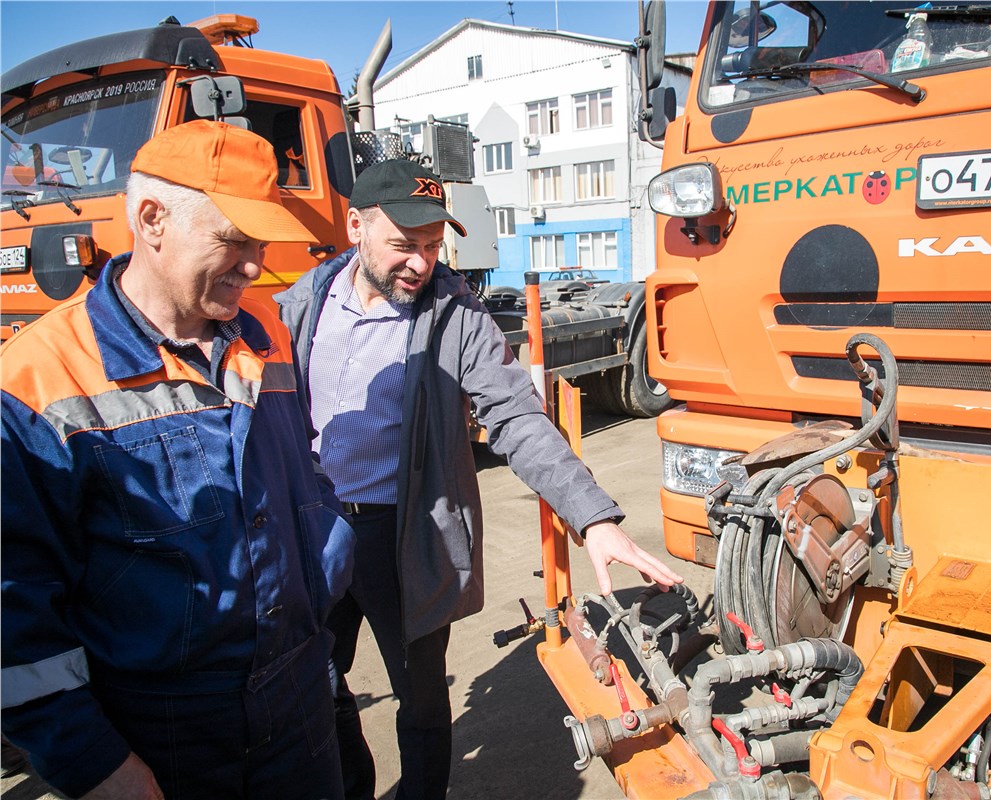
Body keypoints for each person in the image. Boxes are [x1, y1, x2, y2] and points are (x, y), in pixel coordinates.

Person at [275, 158, 684, 800]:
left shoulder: (455, 316)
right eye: (404, 245)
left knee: (422, 699)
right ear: (355, 225)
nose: (422, 262)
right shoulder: (301, 305)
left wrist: (594, 517)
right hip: (314, 528)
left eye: (435, 245)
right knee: (316, 684)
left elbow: (517, 417)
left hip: (403, 536)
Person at [0, 120, 355, 800]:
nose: (254, 264)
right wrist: (97, 766)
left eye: (260, 241)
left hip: (301, 698)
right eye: (233, 239)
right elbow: (14, 612)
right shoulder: (36, 379)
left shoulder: (266, 331)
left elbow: (298, 475)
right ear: (152, 218)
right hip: (160, 739)